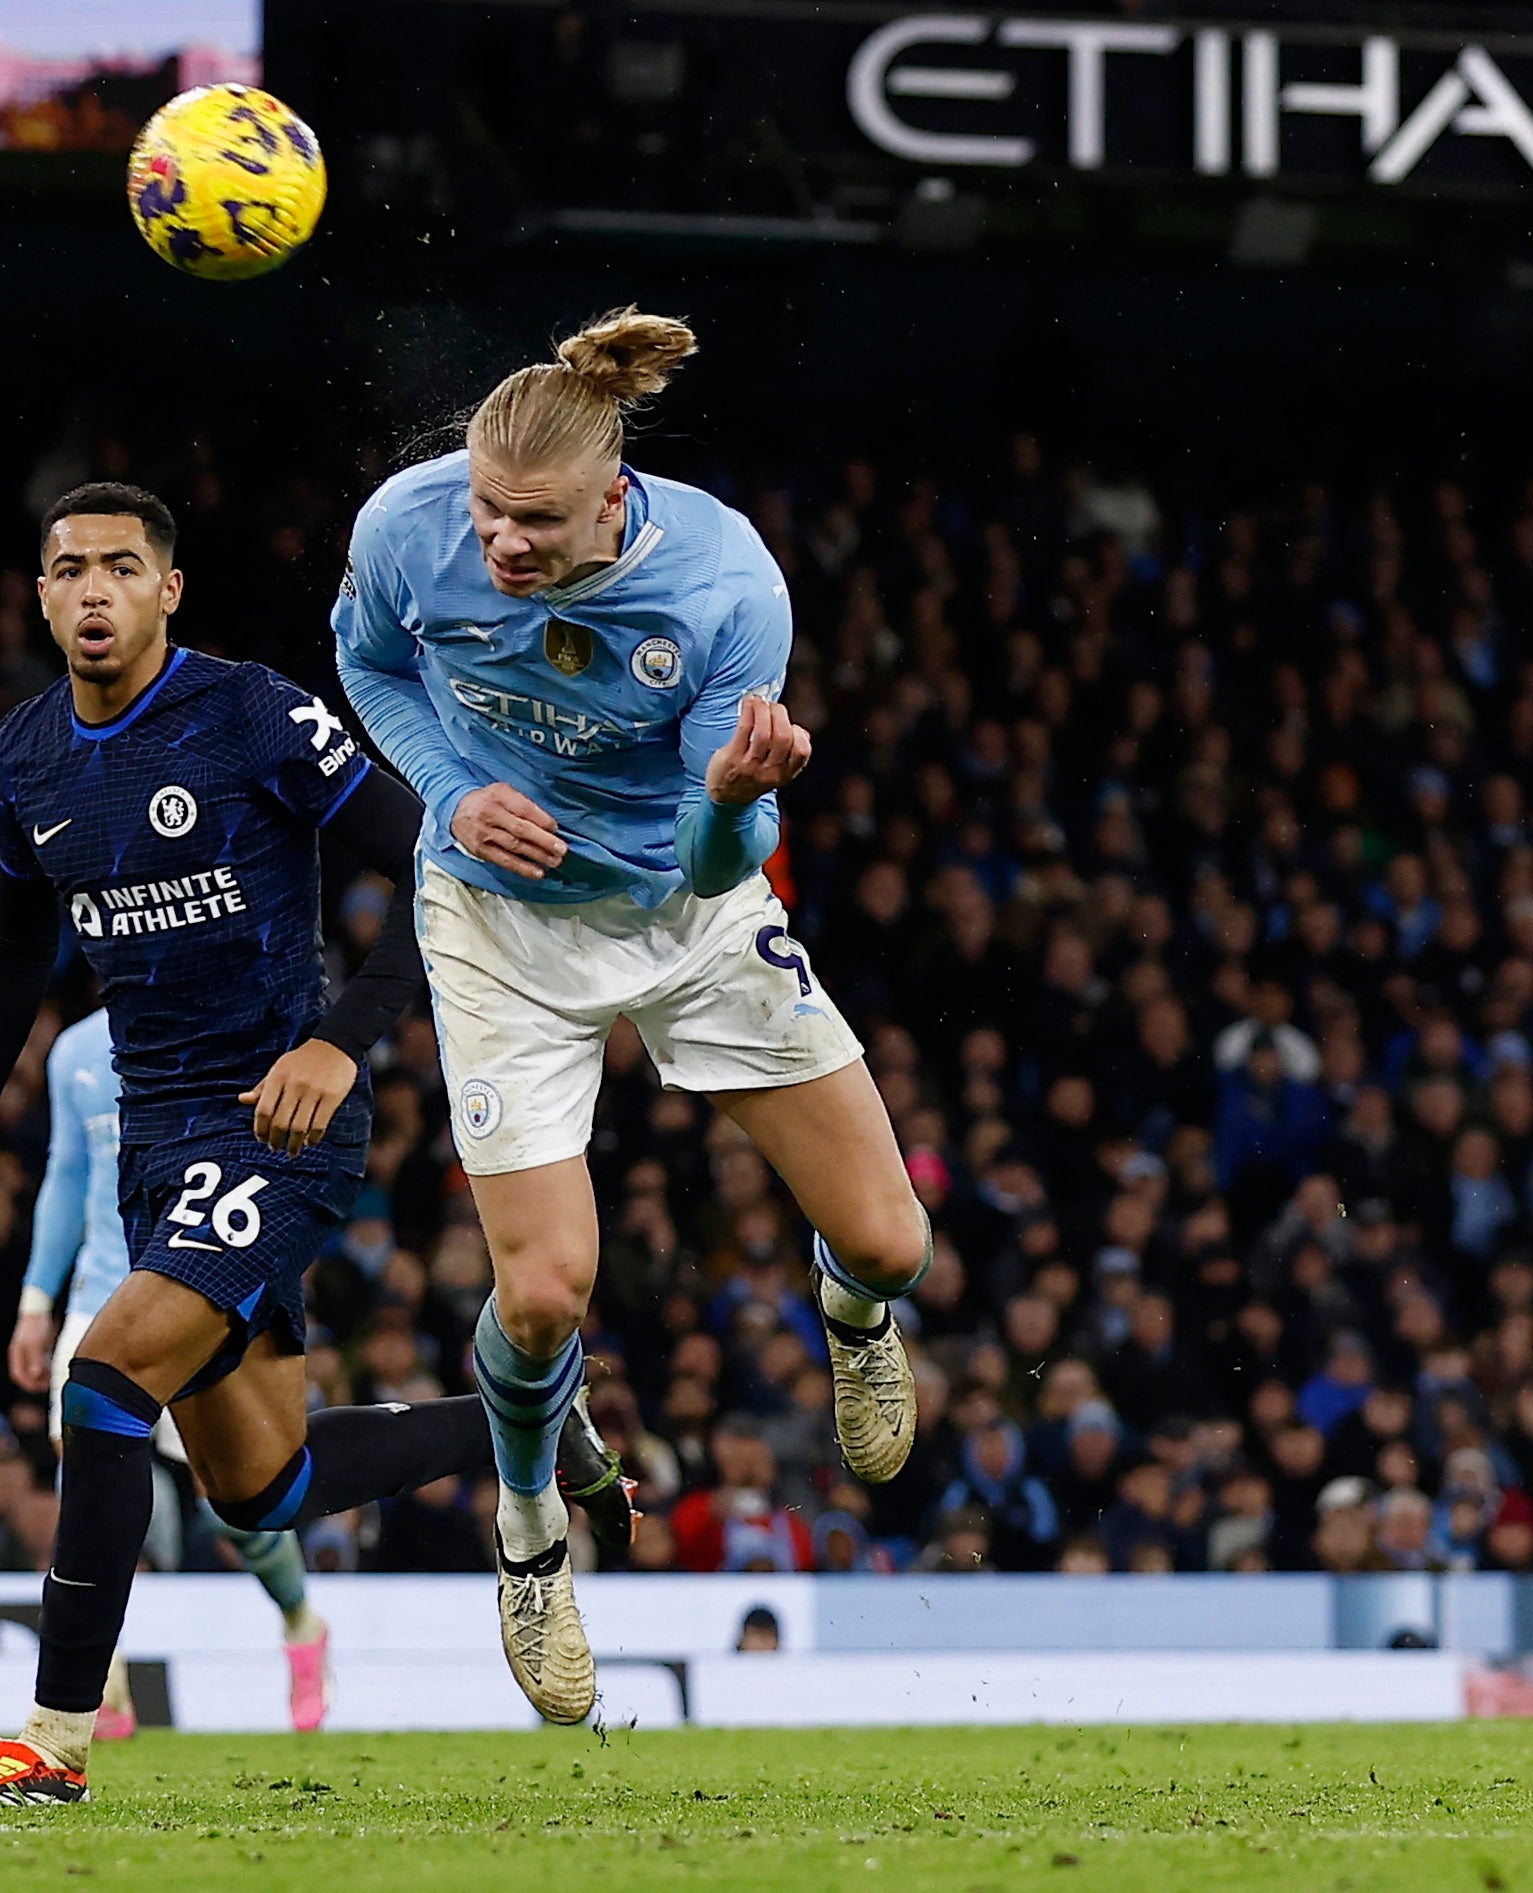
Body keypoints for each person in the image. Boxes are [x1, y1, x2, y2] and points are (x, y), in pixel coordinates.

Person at [0, 485, 619, 1806]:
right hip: (154, 1137)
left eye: (120, 567)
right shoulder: (22, 759)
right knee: (264, 1485)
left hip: (281, 1122)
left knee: (105, 1377)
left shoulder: (246, 712)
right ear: (40, 595)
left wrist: (341, 1041)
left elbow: (436, 869)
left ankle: (53, 1743)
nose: (91, 591)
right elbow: (17, 949)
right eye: (67, 569)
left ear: (166, 590)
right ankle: (524, 1415)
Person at [331, 308, 929, 1713]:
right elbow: (368, 665)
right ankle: (532, 1535)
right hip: (497, 922)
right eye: (486, 514)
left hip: (686, 911)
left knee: (894, 1245)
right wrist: (449, 791)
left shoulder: (725, 590)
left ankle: (850, 1315)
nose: (500, 548)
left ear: (615, 499)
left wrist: (730, 803)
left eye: (534, 523)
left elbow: (717, 862)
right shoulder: (406, 529)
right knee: (542, 1299)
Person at [14, 1006, 330, 1736]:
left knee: (238, 1498)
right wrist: (36, 1301)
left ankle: (300, 1620)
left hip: (199, 1288)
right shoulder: (75, 1051)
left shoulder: (222, 1026)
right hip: (100, 1294)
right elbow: (67, 1174)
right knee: (85, 1465)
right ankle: (101, 1674)